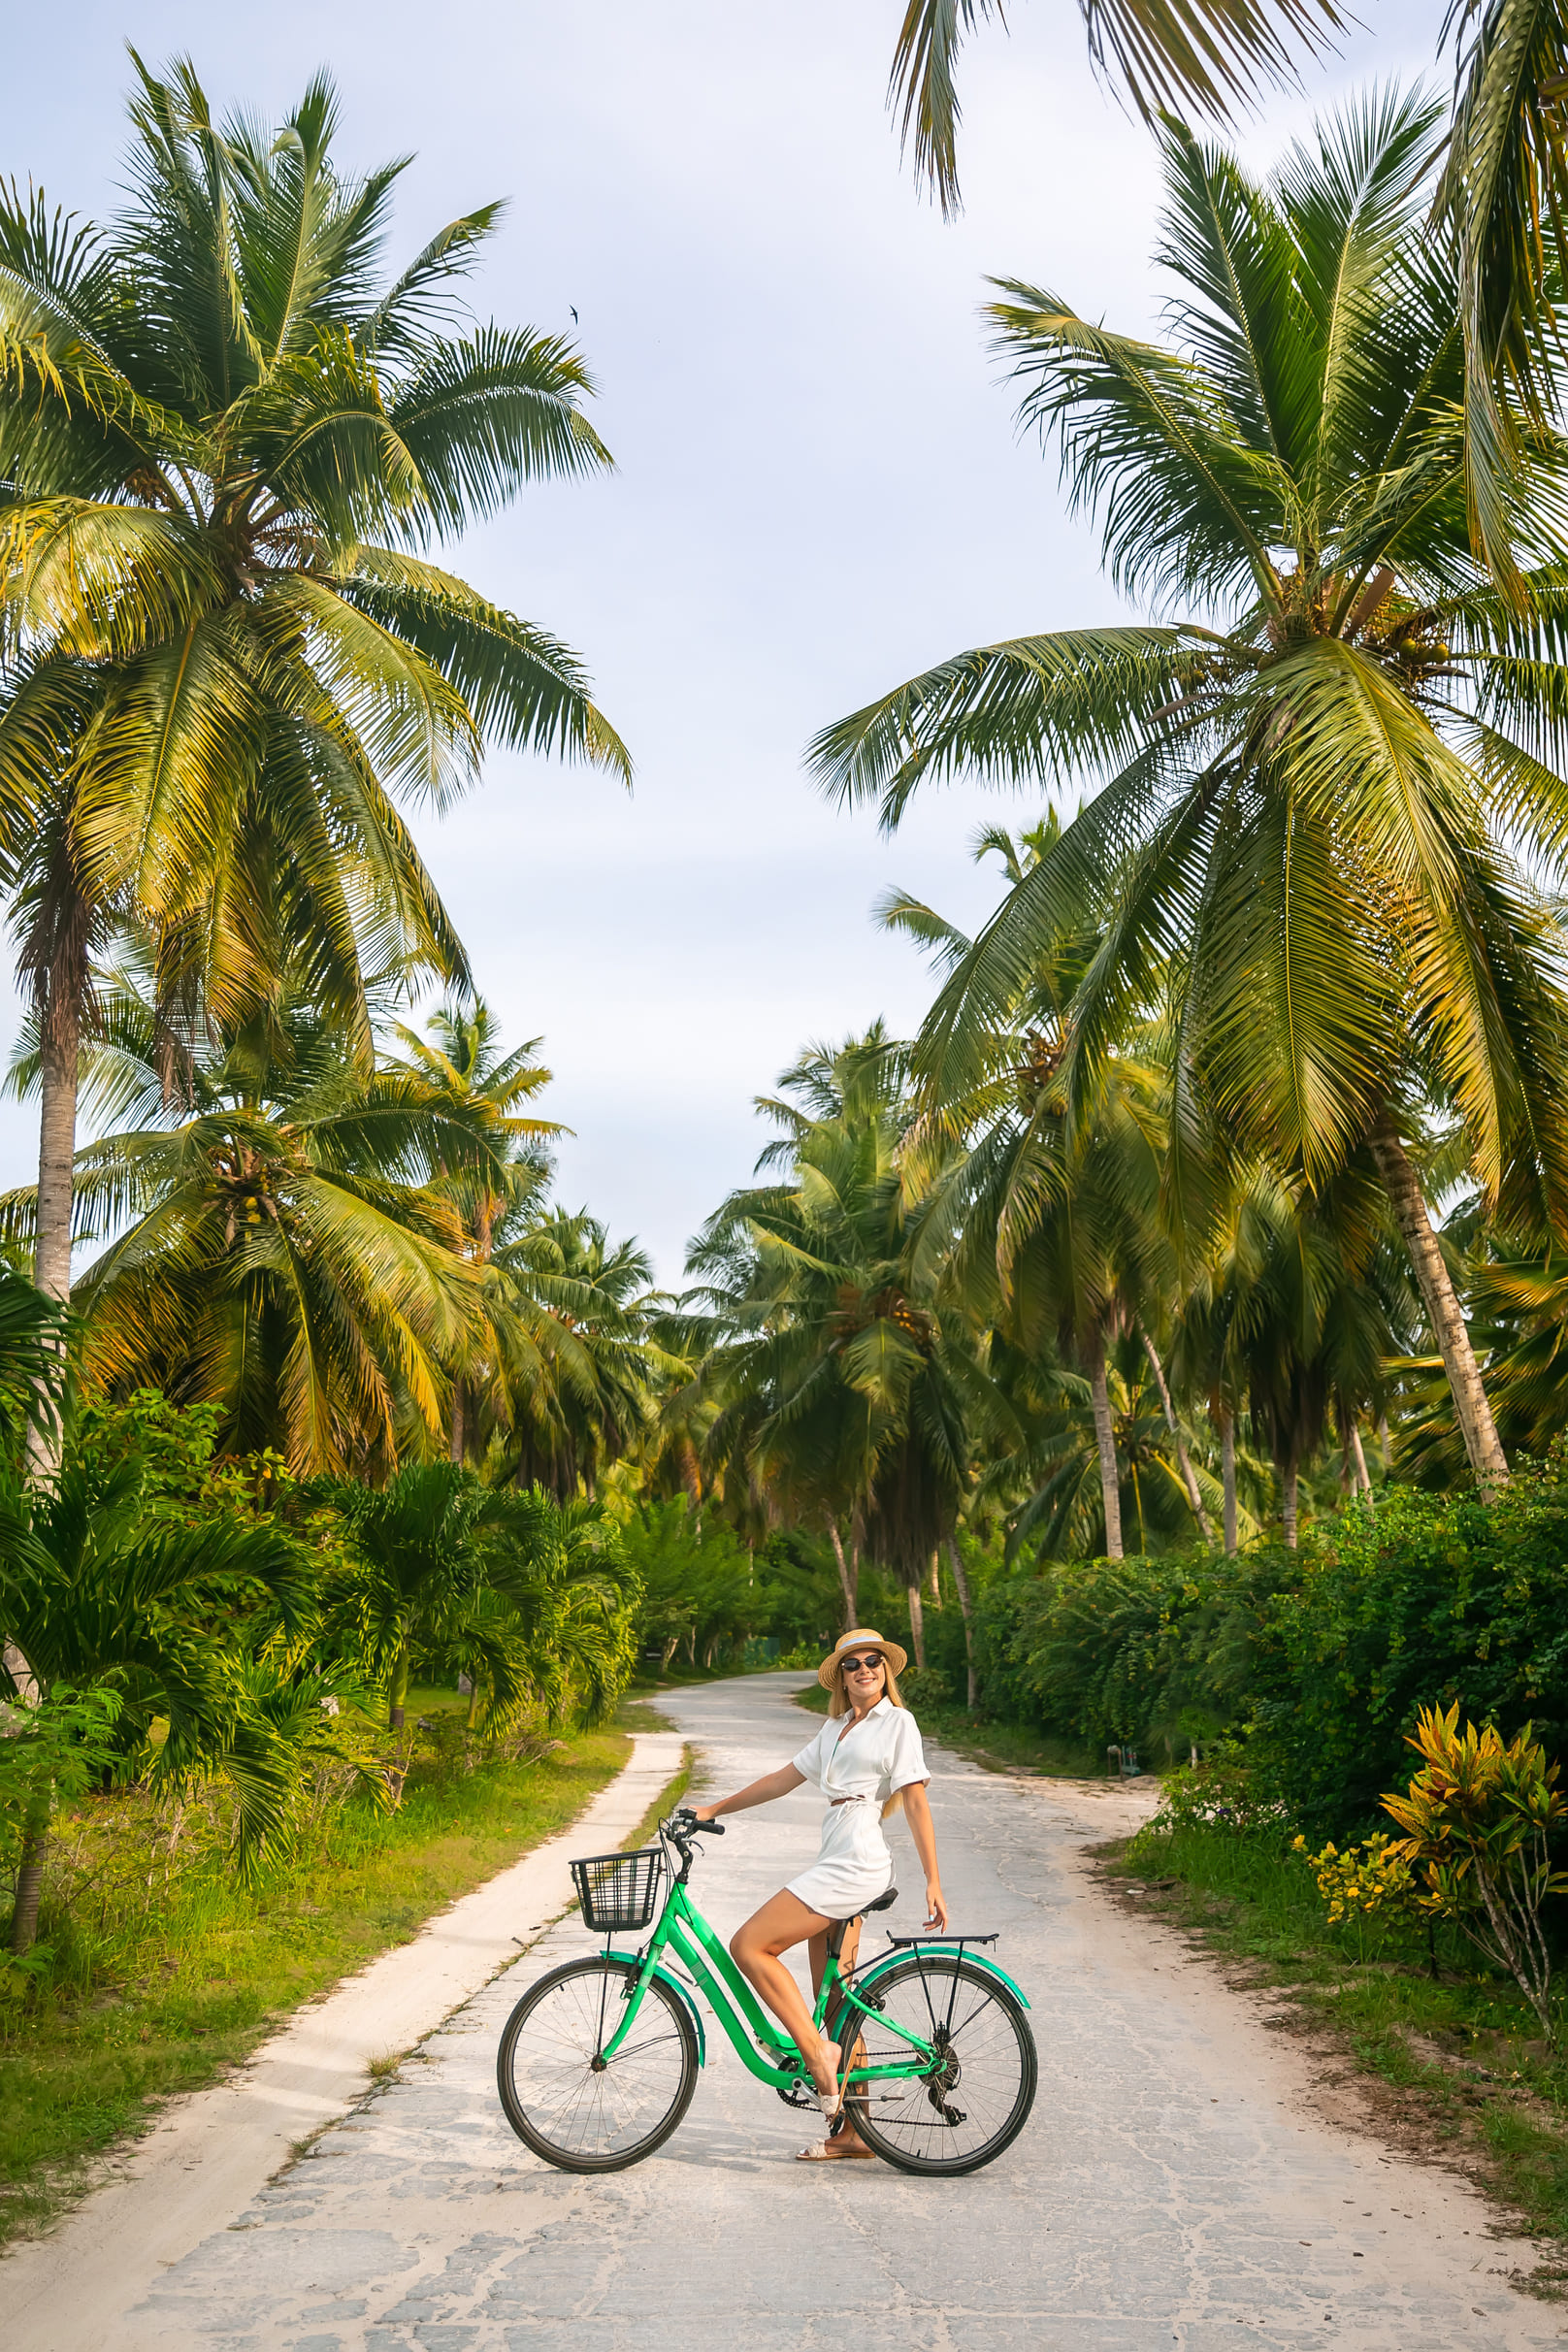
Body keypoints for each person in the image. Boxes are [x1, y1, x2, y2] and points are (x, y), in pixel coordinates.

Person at [693, 1626, 947, 2162]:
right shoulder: (834, 1729)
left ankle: (817, 2054)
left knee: (749, 1946)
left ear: (887, 1670)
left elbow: (916, 1800)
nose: (864, 1670)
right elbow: (782, 1779)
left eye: (873, 1661)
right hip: (834, 1855)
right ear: (842, 1676)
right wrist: (714, 1809)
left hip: (858, 1859)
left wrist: (933, 1879)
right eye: (852, 1664)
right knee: (835, 2000)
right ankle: (855, 2133)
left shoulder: (897, 1722)